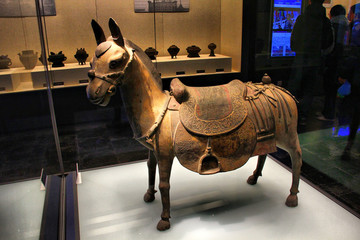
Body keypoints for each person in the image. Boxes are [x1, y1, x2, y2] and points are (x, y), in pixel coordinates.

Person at [289, 0, 334, 125]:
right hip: (315, 59)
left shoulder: (302, 19)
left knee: (294, 87)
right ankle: (303, 116)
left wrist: (298, 49)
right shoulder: (325, 21)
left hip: (300, 58)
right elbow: (328, 42)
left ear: (309, 2)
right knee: (309, 89)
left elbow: (294, 40)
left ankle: (290, 114)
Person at [318, 5, 349, 121]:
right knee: (335, 89)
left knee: (329, 87)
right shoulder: (348, 25)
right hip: (344, 62)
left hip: (332, 61)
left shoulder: (332, 25)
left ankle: (328, 114)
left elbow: (328, 45)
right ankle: (335, 113)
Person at [338, 3, 360, 160]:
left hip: (356, 79)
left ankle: (348, 145)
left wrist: (344, 74)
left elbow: (352, 54)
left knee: (355, 114)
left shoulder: (356, 29)